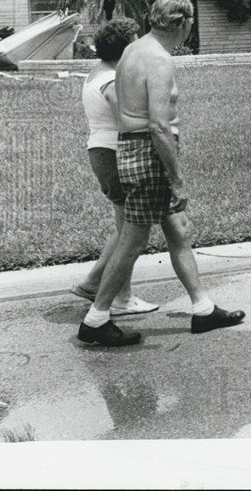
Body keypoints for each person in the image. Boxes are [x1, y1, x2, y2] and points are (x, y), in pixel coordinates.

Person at [77, 0, 244, 347]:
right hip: (151, 152)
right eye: (190, 24)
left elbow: (127, 114)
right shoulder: (158, 59)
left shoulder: (132, 51)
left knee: (178, 229)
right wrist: (177, 176)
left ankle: (203, 309)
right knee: (133, 239)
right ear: (184, 24)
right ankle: (96, 319)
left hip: (132, 148)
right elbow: (158, 124)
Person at [71, 19, 158, 316]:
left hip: (102, 151)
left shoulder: (98, 71)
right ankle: (121, 297)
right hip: (115, 154)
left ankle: (95, 282)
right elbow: (128, 119)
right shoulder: (111, 79)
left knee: (123, 230)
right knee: (130, 232)